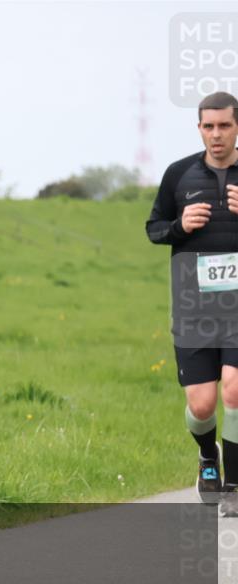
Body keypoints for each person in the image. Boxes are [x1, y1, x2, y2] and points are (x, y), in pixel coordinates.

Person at [146, 91, 238, 517]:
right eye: (208, 126)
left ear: (237, 126)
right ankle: (207, 456)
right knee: (202, 405)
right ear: (199, 128)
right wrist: (179, 226)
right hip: (193, 309)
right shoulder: (178, 174)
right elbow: (154, 228)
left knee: (234, 391)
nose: (216, 135)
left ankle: (234, 485)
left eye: (224, 125)